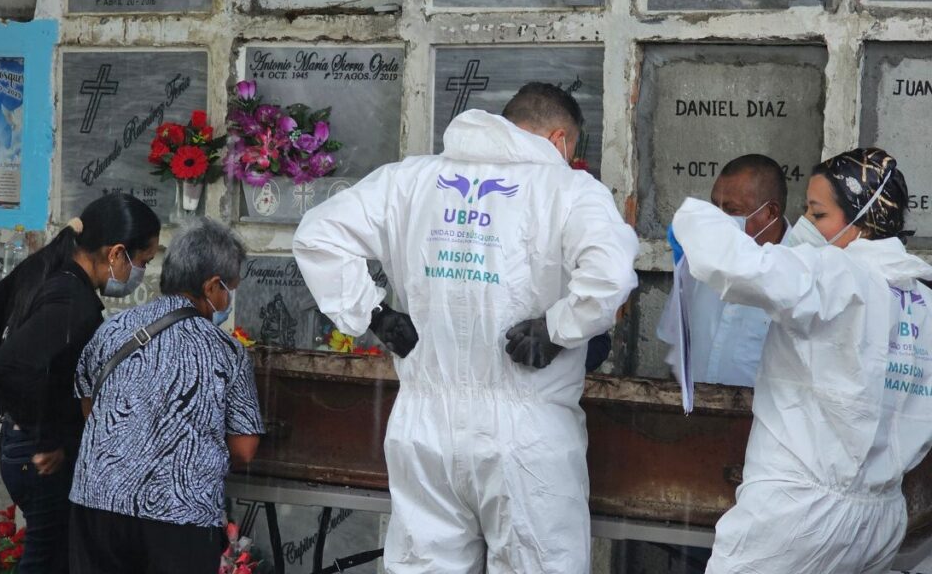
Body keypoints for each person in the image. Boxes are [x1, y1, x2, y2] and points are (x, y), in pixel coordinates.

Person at [293, 83, 639, 573]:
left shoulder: (410, 180)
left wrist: (374, 315)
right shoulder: (568, 190)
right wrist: (558, 327)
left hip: (424, 430)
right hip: (527, 437)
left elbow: (317, 235)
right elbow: (611, 276)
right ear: (560, 139)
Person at [671, 148, 932, 574]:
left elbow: (735, 265)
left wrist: (694, 219)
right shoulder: (921, 297)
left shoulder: (837, 274)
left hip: (796, 515)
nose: (807, 226)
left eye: (817, 213)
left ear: (861, 222)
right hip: (879, 518)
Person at [0, 193, 160, 573]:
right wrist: (47, 437)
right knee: (47, 560)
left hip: (21, 449)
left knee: (52, 557)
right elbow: (12, 366)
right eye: (143, 262)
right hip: (37, 458)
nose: (140, 271)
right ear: (117, 253)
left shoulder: (56, 275)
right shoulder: (73, 299)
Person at [69, 218, 265, 574]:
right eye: (229, 288)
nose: (228, 298)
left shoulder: (112, 329)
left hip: (96, 503)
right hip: (180, 516)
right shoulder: (226, 352)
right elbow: (244, 449)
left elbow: (89, 409)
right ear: (212, 286)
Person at [657, 154, 790, 387]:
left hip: (761, 418)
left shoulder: (798, 273)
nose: (719, 219)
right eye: (714, 206)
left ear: (770, 213)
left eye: (732, 210)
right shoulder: (699, 259)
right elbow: (678, 345)